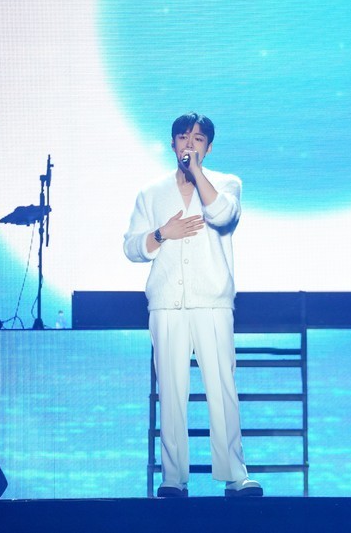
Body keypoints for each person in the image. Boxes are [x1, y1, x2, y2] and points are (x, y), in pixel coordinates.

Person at [123, 113, 262, 497]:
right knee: (171, 393)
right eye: (183, 137)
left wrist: (197, 173)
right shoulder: (151, 192)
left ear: (208, 147)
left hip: (212, 301)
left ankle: (235, 474)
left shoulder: (226, 184)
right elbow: (132, 246)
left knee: (222, 389)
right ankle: (173, 478)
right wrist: (161, 233)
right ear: (172, 144)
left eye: (198, 139)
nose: (189, 144)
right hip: (166, 303)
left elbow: (223, 216)